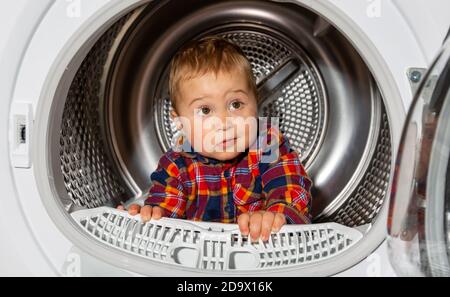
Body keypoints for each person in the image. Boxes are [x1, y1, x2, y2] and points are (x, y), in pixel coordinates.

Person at [118, 36, 312, 242]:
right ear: (180, 122)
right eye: (205, 110)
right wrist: (147, 217)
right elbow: (165, 208)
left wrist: (275, 215)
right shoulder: (177, 164)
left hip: (262, 252)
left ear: (256, 103)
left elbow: (290, 187)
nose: (224, 122)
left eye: (236, 104)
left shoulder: (267, 144)